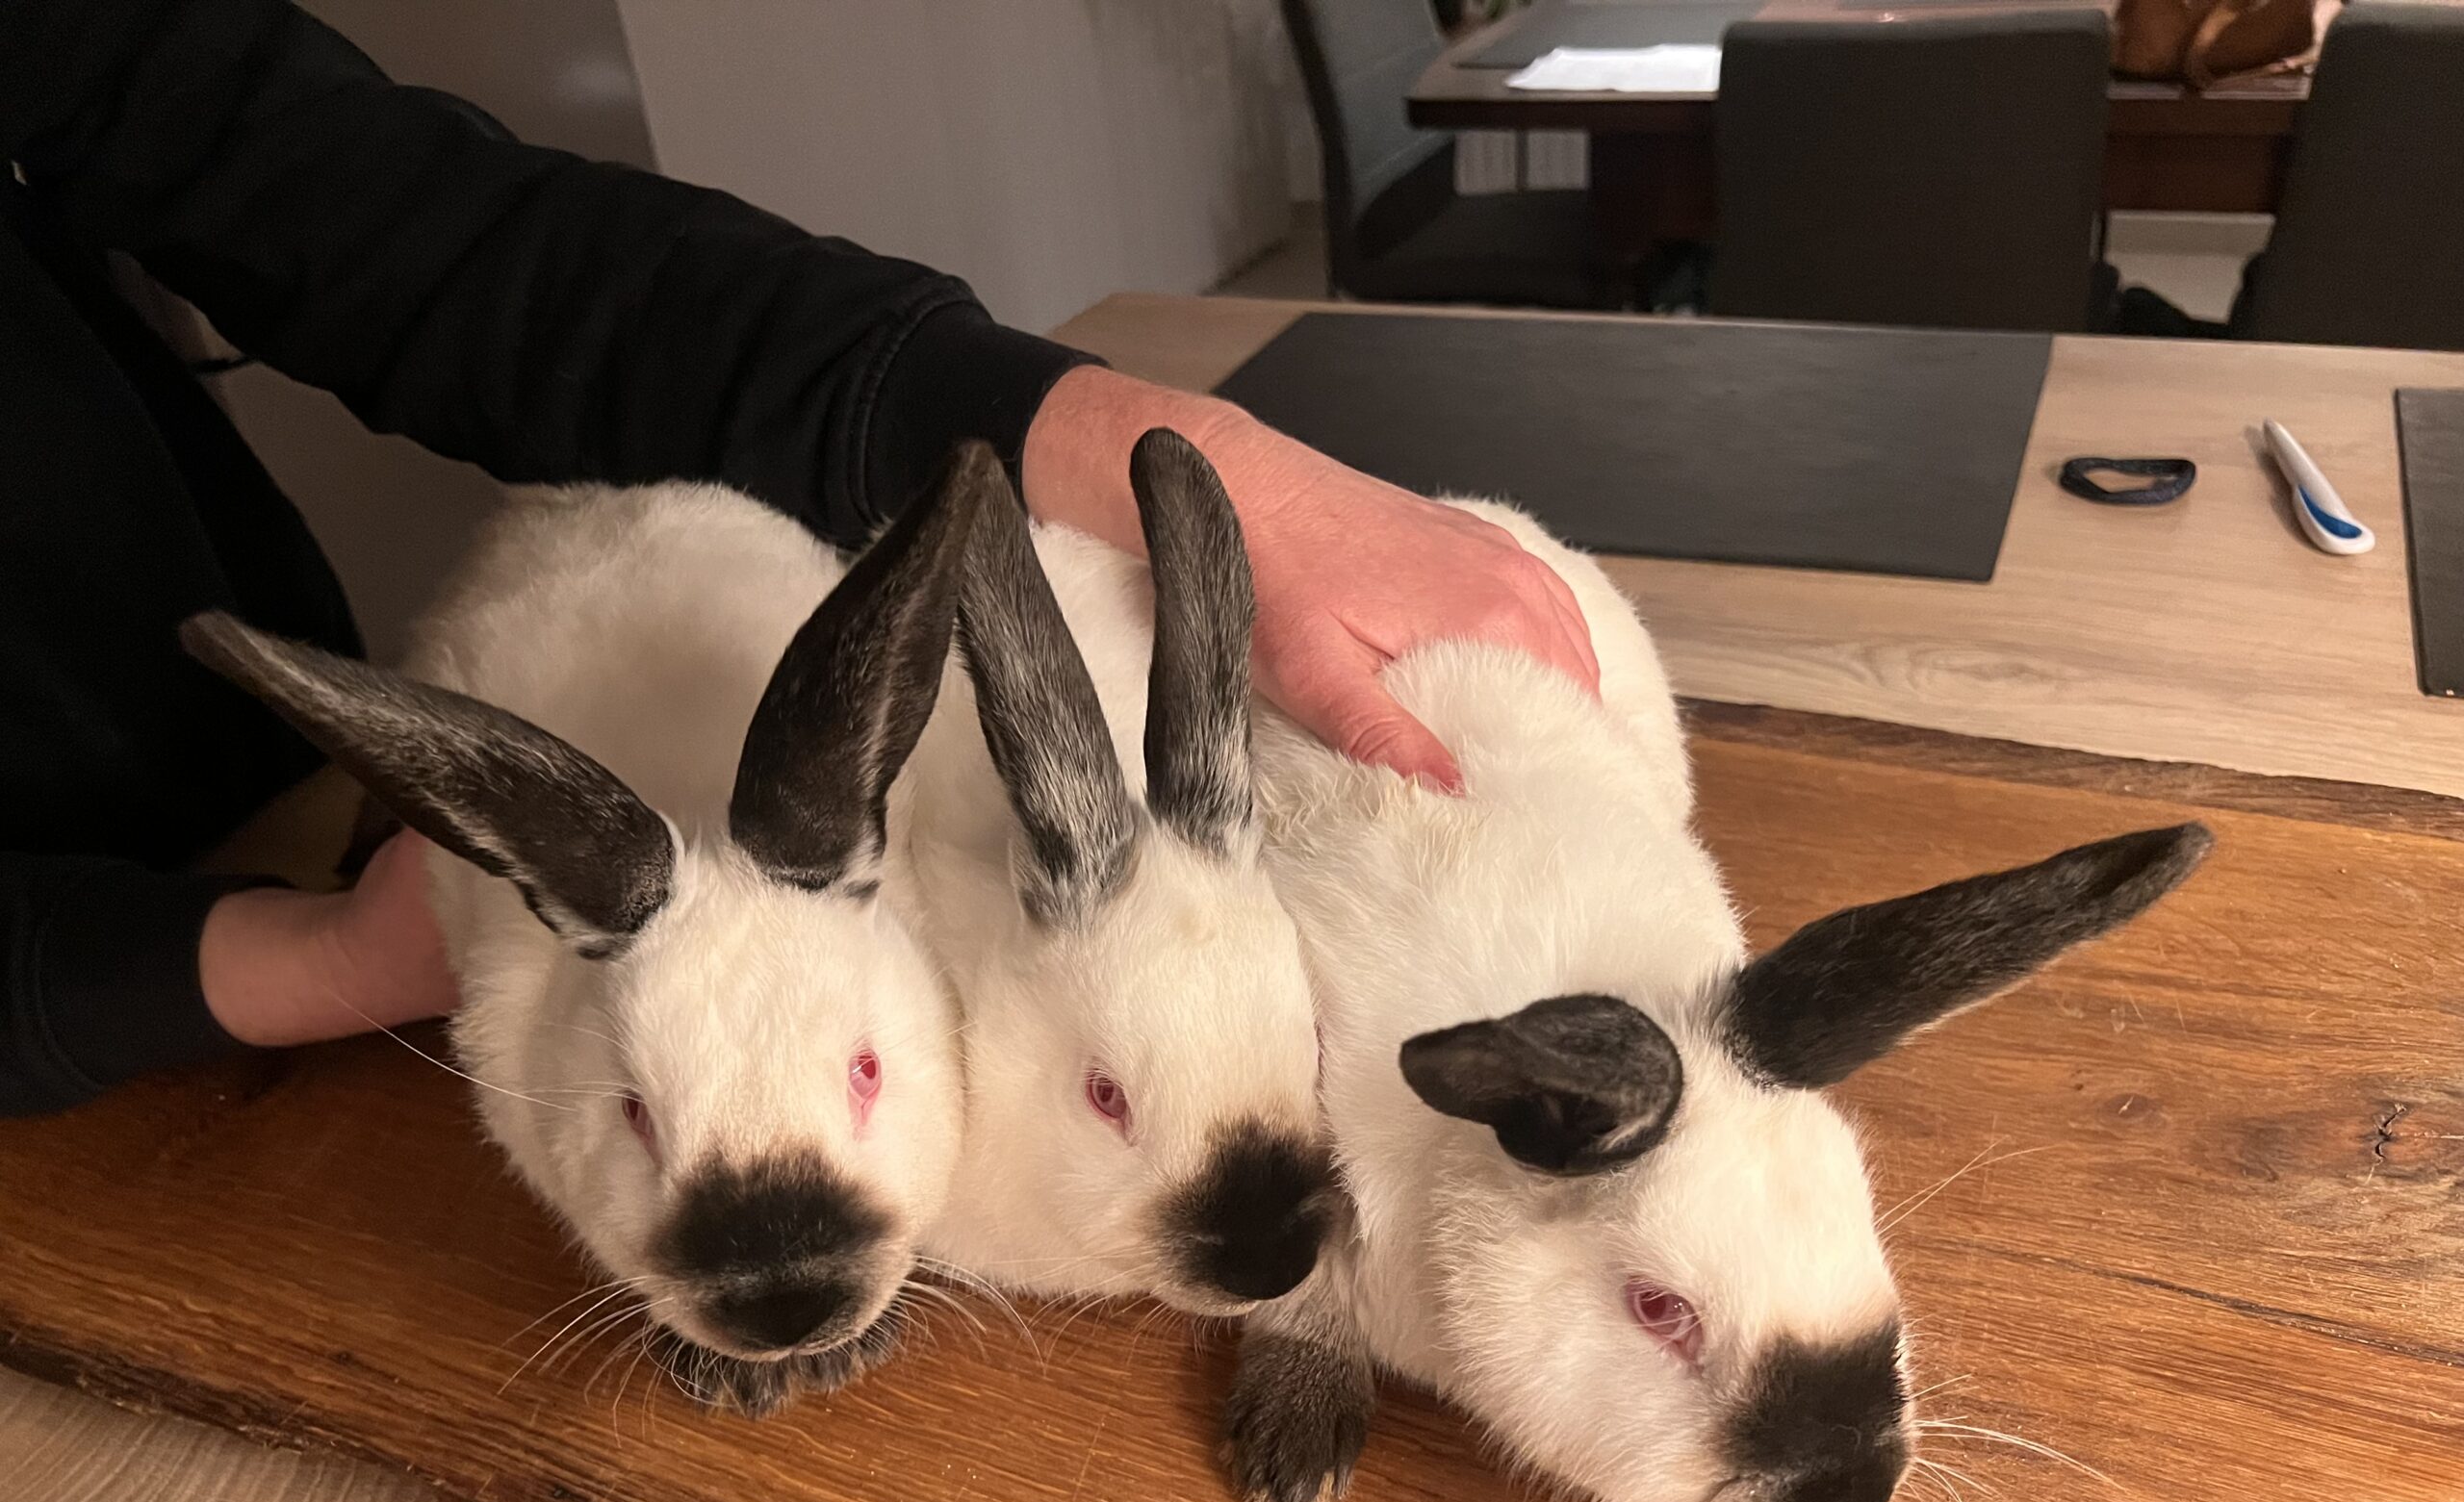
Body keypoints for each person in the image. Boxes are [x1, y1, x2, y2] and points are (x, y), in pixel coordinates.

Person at [0, 0, 1595, 1118]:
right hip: (133, 1010)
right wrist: (305, 962)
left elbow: (380, 211)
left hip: (271, 788)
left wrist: (1147, 441)